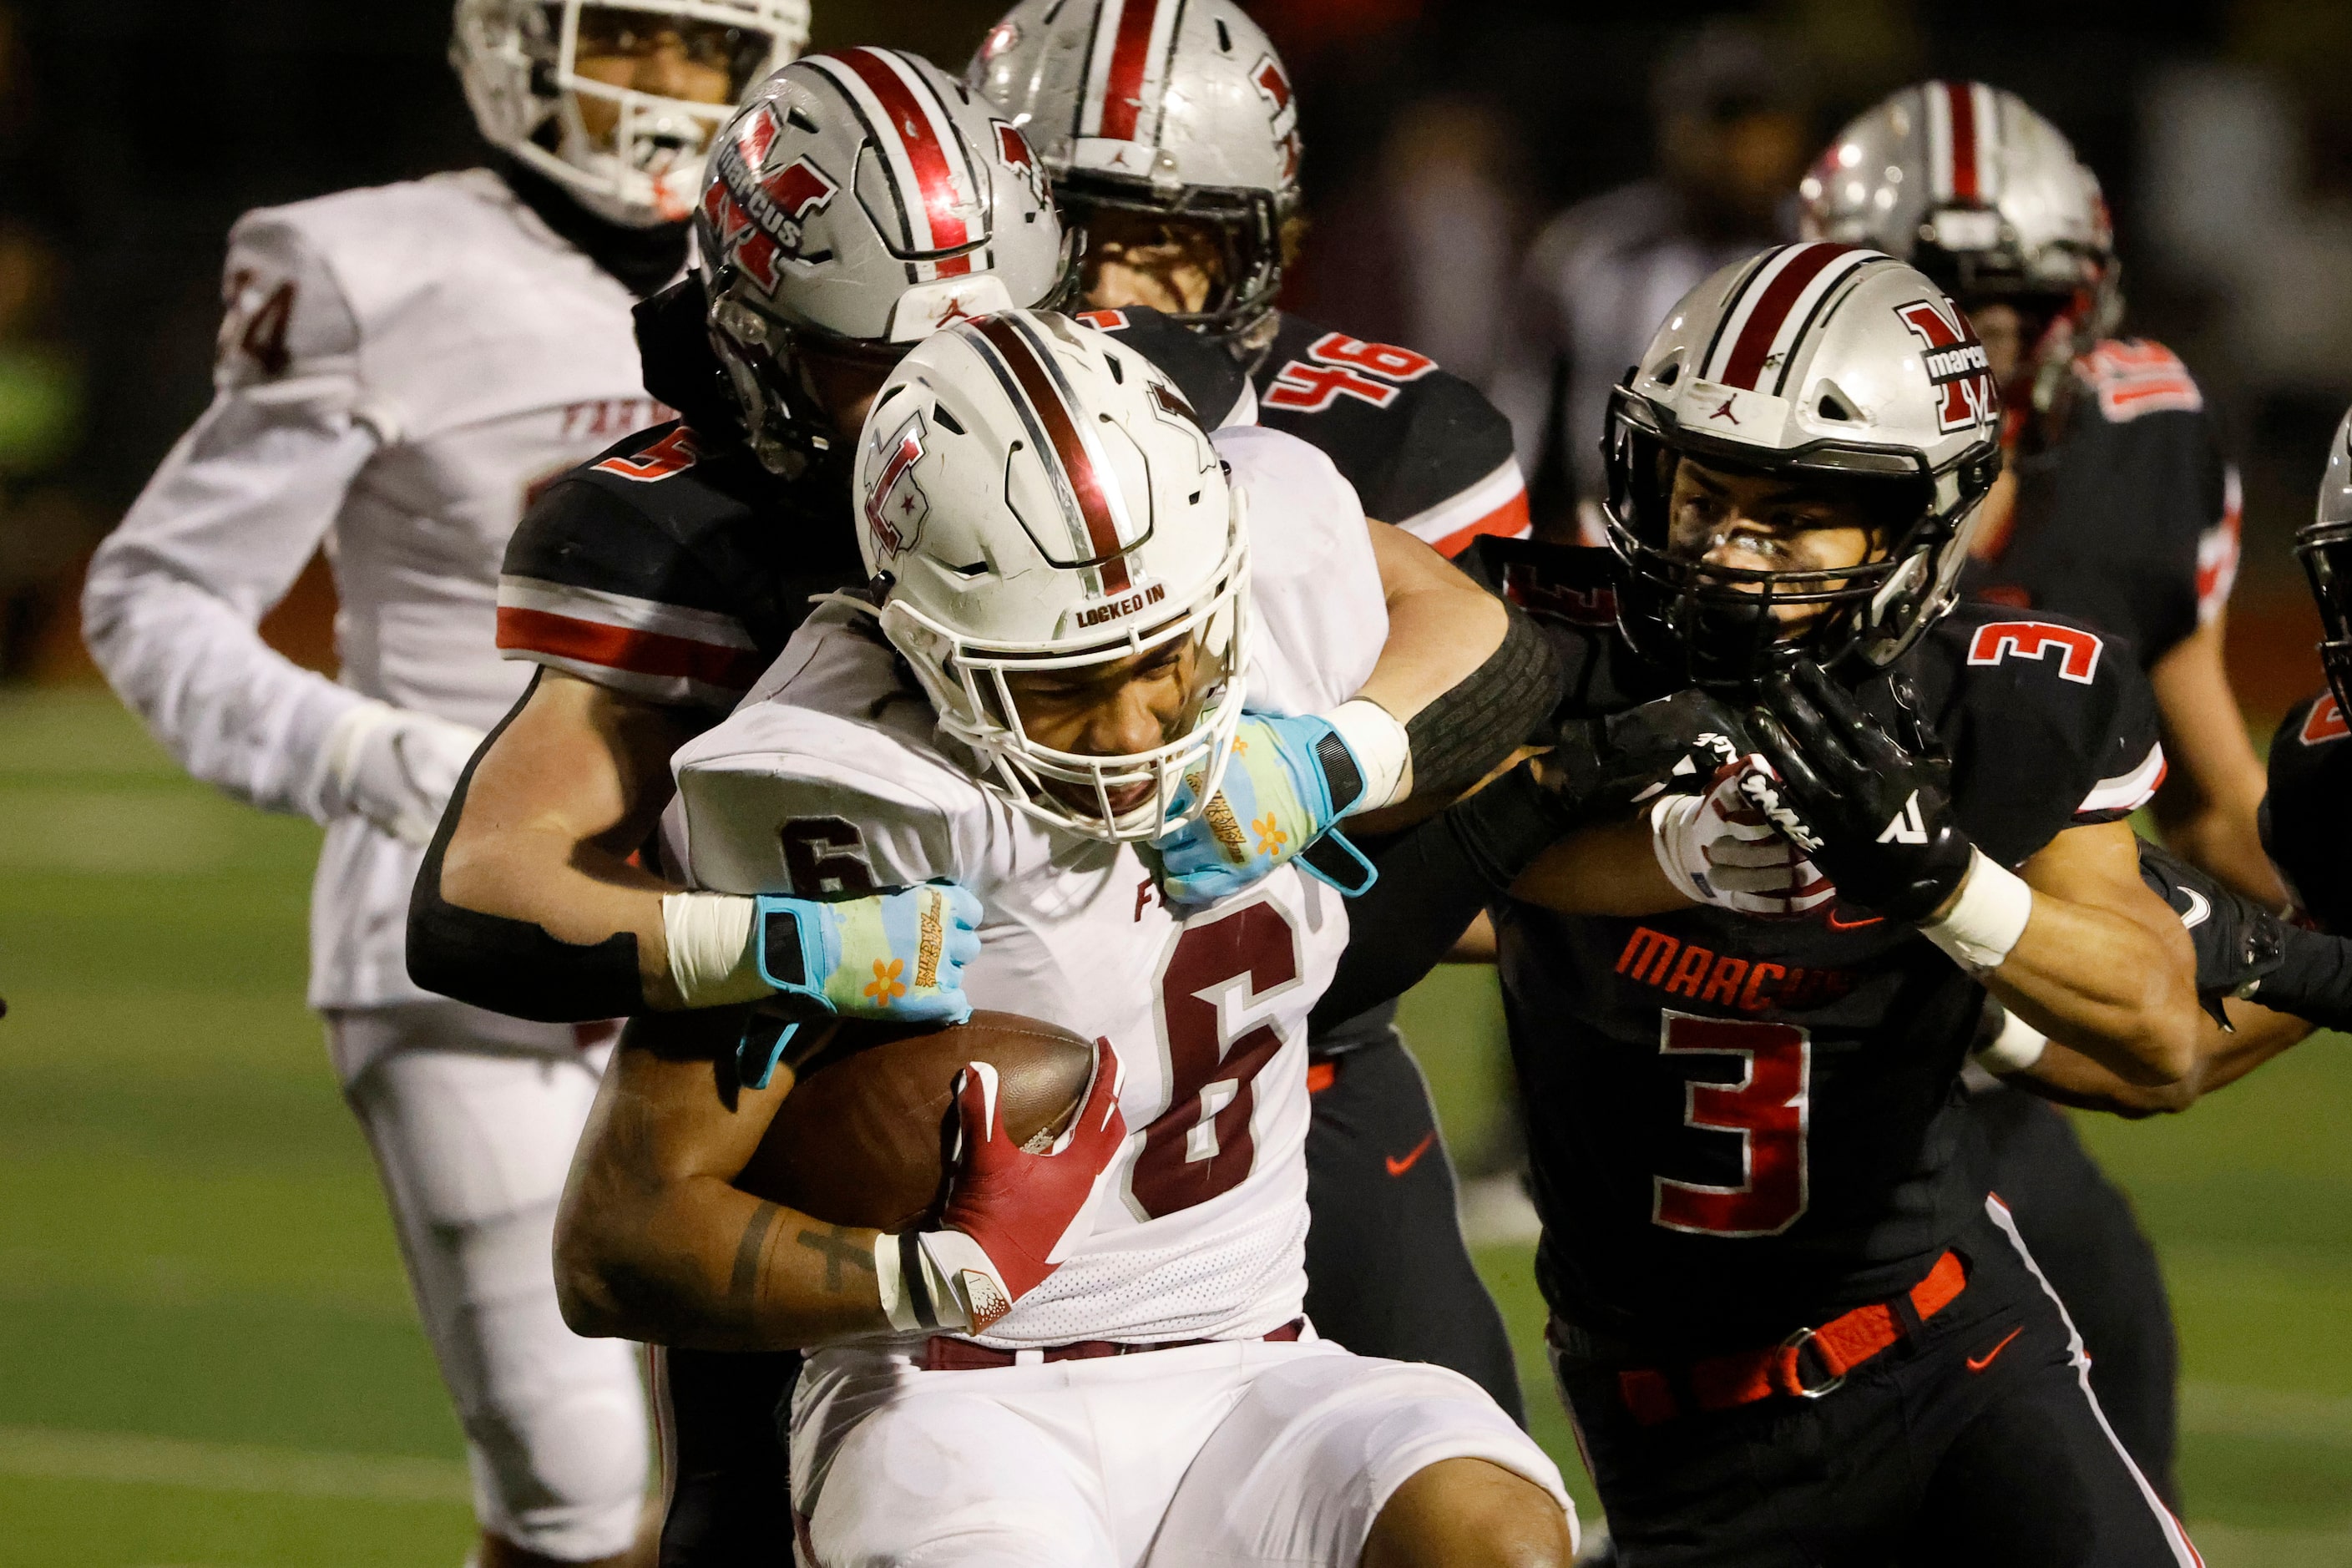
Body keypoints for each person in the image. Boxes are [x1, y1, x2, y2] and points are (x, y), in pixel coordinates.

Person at [404, 48, 1358, 1565]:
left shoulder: (1126, 404)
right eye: (873, 362)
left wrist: (1340, 752)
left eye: (992, 332)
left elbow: (1470, 642)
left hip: (1221, 1070)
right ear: (757, 338)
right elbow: (478, 899)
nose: (941, 393)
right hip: (859, 1106)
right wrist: (789, 947)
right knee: (734, 1514)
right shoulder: (678, 526)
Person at [554, 307, 1578, 1568]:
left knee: (1496, 1534)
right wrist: (920, 1275)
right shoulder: (832, 785)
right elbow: (619, 1240)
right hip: (952, 1389)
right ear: (922, 636)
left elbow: (1493, 643)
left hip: (1254, 1359)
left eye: (1170, 653)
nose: (1144, 717)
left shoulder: (1278, 549)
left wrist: (1338, 755)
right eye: (1071, 680)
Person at [1318, 243, 2217, 1563]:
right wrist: (1601, 827)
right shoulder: (1535, 646)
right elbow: (1336, 907)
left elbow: (2162, 1029)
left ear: (1921, 521)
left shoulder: (2001, 693)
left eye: (1796, 514)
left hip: (1950, 1365)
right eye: (1704, 494)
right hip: (1674, 1432)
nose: (1733, 555)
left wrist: (1945, 882)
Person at [79, 3, 806, 1562]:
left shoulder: (806, 248)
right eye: (633, 35)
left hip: (756, 915)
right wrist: (394, 764)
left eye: (706, 47)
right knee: (577, 1485)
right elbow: (154, 595)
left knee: (803, 1467)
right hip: (463, 936)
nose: (670, 85)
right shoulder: (370, 267)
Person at [968, 0, 1533, 1411]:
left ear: (1252, 247)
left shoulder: (1383, 435)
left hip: (1293, 1070)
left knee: (1458, 1480)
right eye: (1071, 233)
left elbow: (1490, 821)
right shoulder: (897, 419)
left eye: (1166, 242)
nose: (1112, 287)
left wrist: (1314, 787)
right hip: (961, 1072)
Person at [1796, 80, 2280, 1501]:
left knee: (2107, 1321)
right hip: (1795, 1016)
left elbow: (2209, 798)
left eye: (2019, 298)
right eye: (1953, 295)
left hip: (2012, 989)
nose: (1989, 336)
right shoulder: (1791, 458)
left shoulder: (2138, 445)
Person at [1488, 19, 1810, 544]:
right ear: (1674, 127)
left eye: (1761, 119)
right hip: (1605, 529)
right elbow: (1520, 407)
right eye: (1721, 120)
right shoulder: (1593, 246)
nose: (1741, 144)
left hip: (1773, 533)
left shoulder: (1829, 247)